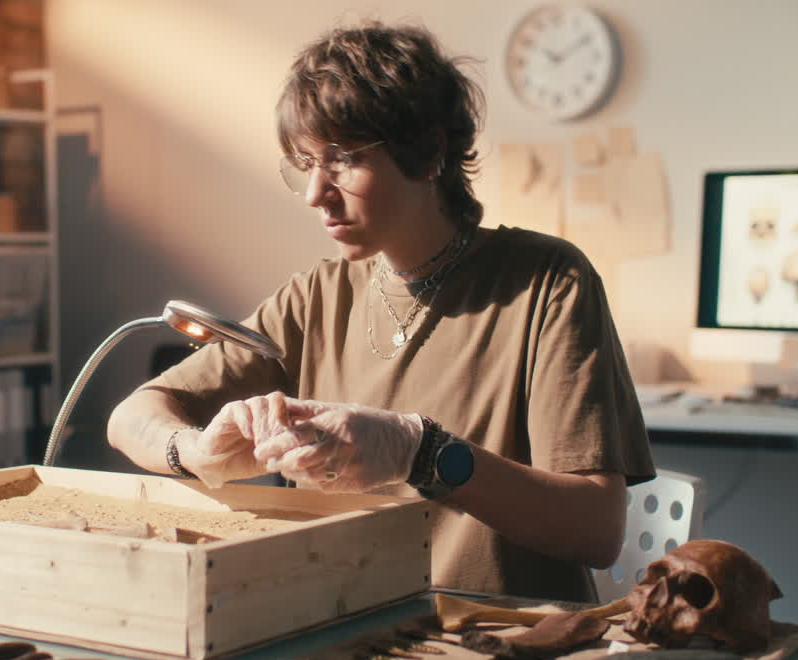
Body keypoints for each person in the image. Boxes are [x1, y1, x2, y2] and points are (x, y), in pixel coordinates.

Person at [107, 20, 655, 603]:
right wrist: (194, 451)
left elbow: (596, 530)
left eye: (341, 159)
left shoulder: (546, 282)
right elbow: (132, 416)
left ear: (427, 154)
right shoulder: (313, 299)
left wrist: (421, 454)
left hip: (508, 644)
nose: (317, 193)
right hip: (344, 633)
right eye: (305, 163)